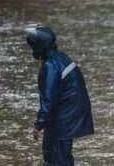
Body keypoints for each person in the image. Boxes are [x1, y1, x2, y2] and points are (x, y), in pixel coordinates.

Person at [26, 26, 94, 166]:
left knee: (58, 156)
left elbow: (48, 99)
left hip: (65, 116)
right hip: (68, 113)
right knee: (55, 153)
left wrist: (38, 125)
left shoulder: (50, 66)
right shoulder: (60, 57)